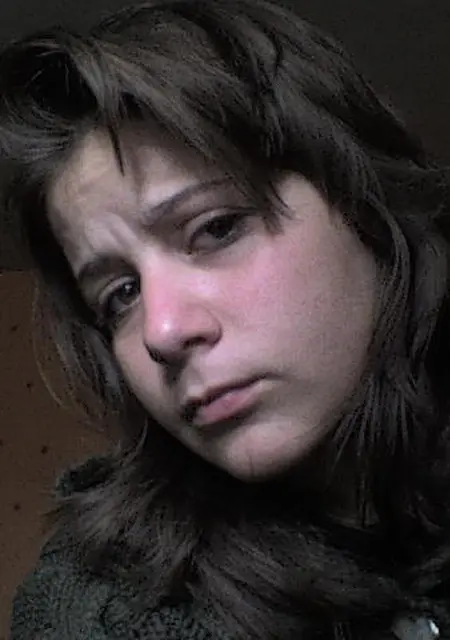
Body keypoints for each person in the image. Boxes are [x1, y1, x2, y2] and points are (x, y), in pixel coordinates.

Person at [0, 0, 449, 637]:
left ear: (365, 209)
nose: (161, 333)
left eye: (215, 228)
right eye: (120, 295)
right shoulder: (96, 611)